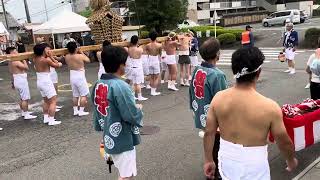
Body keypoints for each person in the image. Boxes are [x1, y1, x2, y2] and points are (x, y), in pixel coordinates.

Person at [203, 47, 298, 179]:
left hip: (226, 158)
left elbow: (209, 132)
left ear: (234, 70)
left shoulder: (218, 98)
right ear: (258, 72)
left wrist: (208, 160)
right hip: (254, 164)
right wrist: (291, 159)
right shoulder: (269, 107)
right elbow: (283, 140)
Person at [92, 46, 143, 180]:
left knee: (122, 170)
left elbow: (98, 111)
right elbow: (130, 114)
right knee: (127, 175)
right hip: (121, 137)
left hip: (108, 133)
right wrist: (138, 110)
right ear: (121, 65)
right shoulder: (120, 86)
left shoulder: (98, 83)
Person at [189, 38, 227, 180]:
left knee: (209, 142)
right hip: (213, 117)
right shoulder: (217, 75)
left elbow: (191, 92)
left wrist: (194, 109)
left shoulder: (197, 69)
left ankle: (211, 167)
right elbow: (223, 101)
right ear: (217, 54)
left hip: (200, 111)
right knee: (217, 145)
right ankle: (215, 172)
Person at [33, 43, 62, 126]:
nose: (48, 51)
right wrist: (53, 58)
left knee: (46, 101)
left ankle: (46, 118)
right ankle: (51, 120)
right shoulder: (46, 60)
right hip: (46, 81)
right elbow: (57, 65)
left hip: (39, 81)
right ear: (42, 51)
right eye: (46, 49)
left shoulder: (35, 59)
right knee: (53, 101)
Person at [7, 47, 37, 120]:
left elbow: (11, 73)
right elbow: (26, 68)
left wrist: (12, 83)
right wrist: (24, 60)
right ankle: (26, 114)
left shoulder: (10, 62)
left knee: (22, 98)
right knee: (25, 98)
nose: (17, 52)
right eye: (15, 51)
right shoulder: (15, 61)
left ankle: (23, 112)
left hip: (16, 79)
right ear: (11, 52)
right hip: (21, 80)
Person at [65, 42, 91, 116]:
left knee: (75, 95)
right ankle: (81, 111)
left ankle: (75, 110)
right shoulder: (80, 56)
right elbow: (88, 60)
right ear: (75, 48)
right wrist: (81, 52)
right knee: (84, 94)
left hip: (72, 76)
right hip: (80, 76)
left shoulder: (67, 56)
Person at [128, 35, 148, 101]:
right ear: (137, 41)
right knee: (138, 83)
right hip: (138, 67)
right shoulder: (140, 49)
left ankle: (133, 96)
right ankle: (139, 96)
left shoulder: (129, 49)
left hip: (131, 67)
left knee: (133, 83)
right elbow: (142, 50)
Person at [146, 31, 162, 96]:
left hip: (149, 59)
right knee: (156, 77)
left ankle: (152, 91)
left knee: (152, 77)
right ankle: (153, 91)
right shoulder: (159, 45)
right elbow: (160, 54)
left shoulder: (147, 45)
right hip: (155, 59)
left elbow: (147, 52)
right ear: (156, 37)